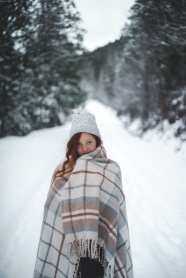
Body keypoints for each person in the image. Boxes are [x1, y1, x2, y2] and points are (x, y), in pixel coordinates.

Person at [33, 109, 134, 278]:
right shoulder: (63, 169)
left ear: (97, 141)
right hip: (70, 249)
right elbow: (52, 208)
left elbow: (115, 211)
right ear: (73, 145)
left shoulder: (111, 169)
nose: (85, 148)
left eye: (89, 142)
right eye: (79, 144)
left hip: (99, 253)